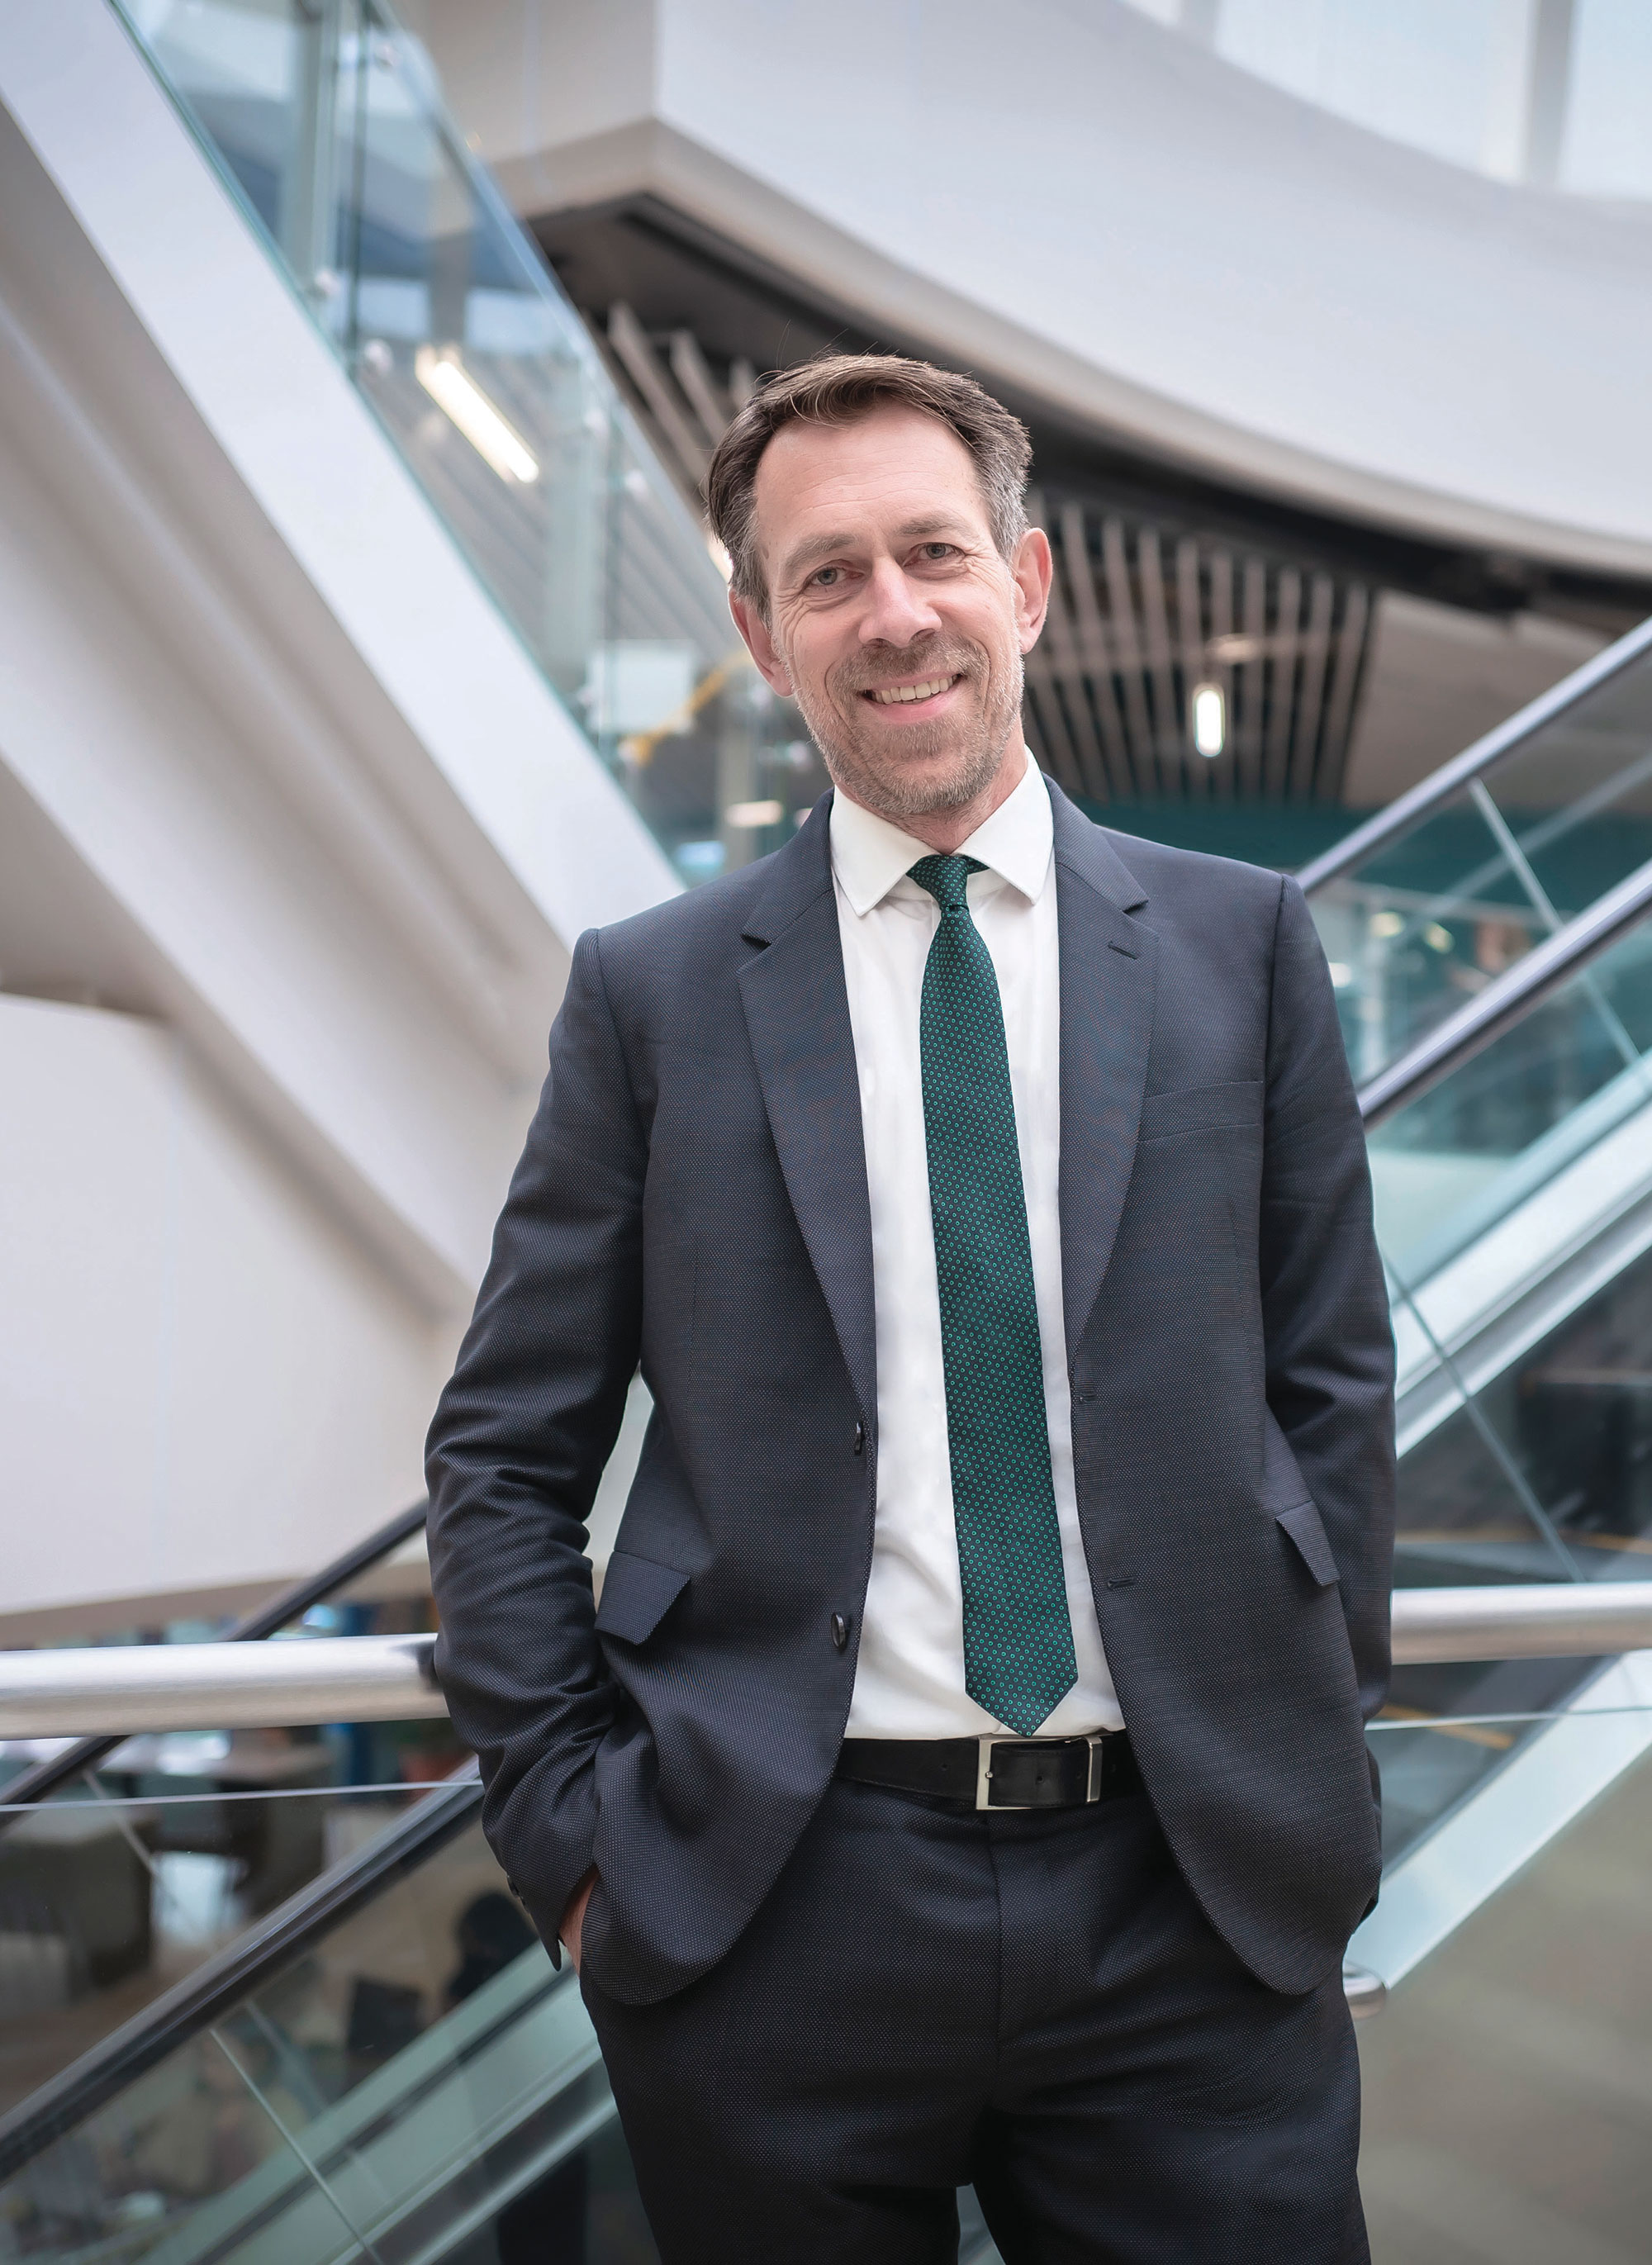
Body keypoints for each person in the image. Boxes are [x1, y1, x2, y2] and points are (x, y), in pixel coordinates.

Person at [426, 354, 1395, 2263]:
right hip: (771, 1909)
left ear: (1023, 583)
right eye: (827, 574)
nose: (893, 614)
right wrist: (574, 1849)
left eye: (934, 553)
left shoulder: (1242, 947)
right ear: (761, 633)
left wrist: (1308, 1769)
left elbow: (1332, 1390)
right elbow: (504, 1449)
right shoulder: (651, 995)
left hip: (1189, 1900)